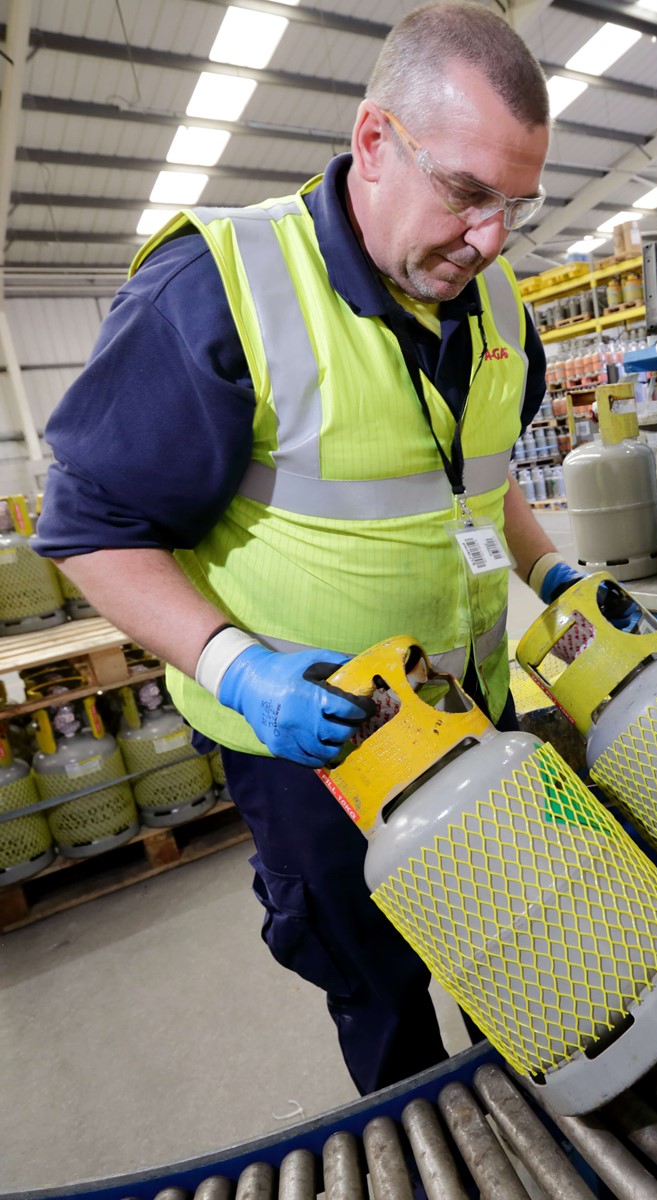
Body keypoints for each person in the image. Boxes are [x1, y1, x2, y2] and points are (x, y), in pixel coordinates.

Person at [35, 2, 584, 1095]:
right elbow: (89, 531)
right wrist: (242, 669)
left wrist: (551, 570)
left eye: (515, 205)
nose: (492, 239)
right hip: (315, 749)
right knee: (379, 990)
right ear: (374, 142)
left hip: (470, 708)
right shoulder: (219, 290)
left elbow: (474, 476)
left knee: (523, 943)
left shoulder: (495, 297)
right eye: (468, 195)